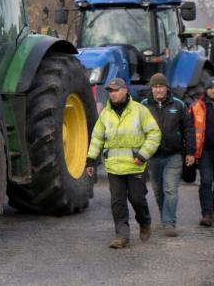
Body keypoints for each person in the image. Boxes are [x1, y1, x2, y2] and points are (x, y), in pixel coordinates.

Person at [86, 77, 161, 249]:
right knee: (117, 202)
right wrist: (90, 160)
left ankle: (144, 221)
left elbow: (154, 134)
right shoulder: (105, 114)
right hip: (114, 167)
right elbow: (97, 138)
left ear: (125, 90)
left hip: (136, 164)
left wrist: (143, 155)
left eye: (116, 90)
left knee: (137, 199)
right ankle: (122, 235)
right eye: (110, 91)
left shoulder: (140, 110)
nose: (112, 94)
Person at [141, 73, 195, 237]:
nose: (158, 90)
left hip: (174, 154)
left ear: (166, 88)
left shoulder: (178, 105)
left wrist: (190, 152)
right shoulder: (143, 106)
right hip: (153, 155)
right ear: (151, 88)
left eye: (161, 86)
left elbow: (188, 129)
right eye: (155, 87)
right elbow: (137, 129)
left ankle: (169, 222)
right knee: (158, 191)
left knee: (170, 189)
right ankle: (165, 215)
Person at [190, 78, 214, 227]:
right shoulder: (197, 107)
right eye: (210, 87)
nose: (213, 90)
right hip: (205, 151)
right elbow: (189, 128)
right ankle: (207, 214)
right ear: (206, 90)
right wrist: (190, 150)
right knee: (206, 181)